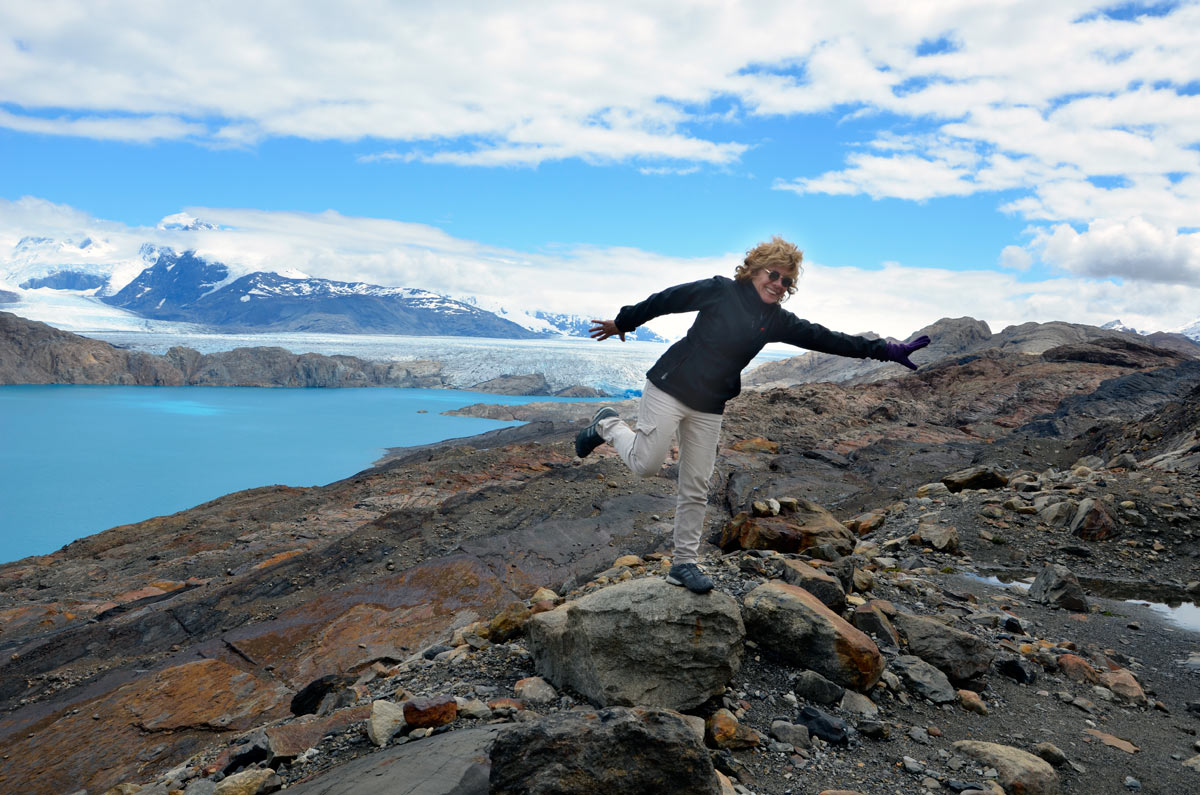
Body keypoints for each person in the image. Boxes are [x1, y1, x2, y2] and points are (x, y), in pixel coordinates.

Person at [574, 236, 930, 594]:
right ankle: (607, 424)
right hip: (669, 386)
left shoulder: (775, 320)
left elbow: (829, 339)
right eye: (773, 275)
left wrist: (886, 349)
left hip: (710, 403)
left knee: (696, 484)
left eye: (786, 281)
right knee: (646, 465)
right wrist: (624, 322)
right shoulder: (719, 291)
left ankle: (683, 563)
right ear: (754, 271)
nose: (778, 284)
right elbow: (666, 300)